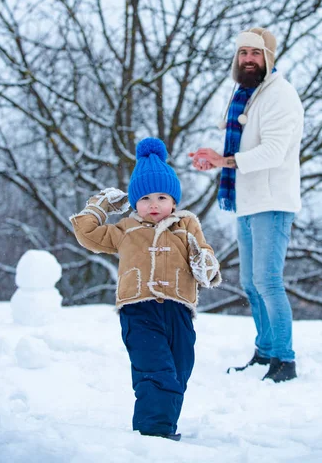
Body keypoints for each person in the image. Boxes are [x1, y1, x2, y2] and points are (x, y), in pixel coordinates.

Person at [70, 137, 221, 440]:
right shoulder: (126, 229)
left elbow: (207, 265)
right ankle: (154, 435)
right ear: (134, 202)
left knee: (178, 373)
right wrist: (100, 206)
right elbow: (86, 233)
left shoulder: (186, 226)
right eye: (146, 198)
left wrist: (204, 261)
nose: (154, 204)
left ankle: (164, 428)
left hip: (179, 312)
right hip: (139, 311)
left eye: (163, 197)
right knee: (155, 371)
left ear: (174, 201)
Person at [189, 27, 303, 383]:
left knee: (268, 281)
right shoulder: (245, 94)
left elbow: (272, 152)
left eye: (255, 53)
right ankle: (265, 351)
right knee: (252, 285)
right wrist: (217, 159)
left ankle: (285, 361)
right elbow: (243, 146)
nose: (248, 59)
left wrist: (224, 161)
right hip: (248, 200)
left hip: (272, 200)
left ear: (268, 57)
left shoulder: (279, 95)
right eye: (243, 53)